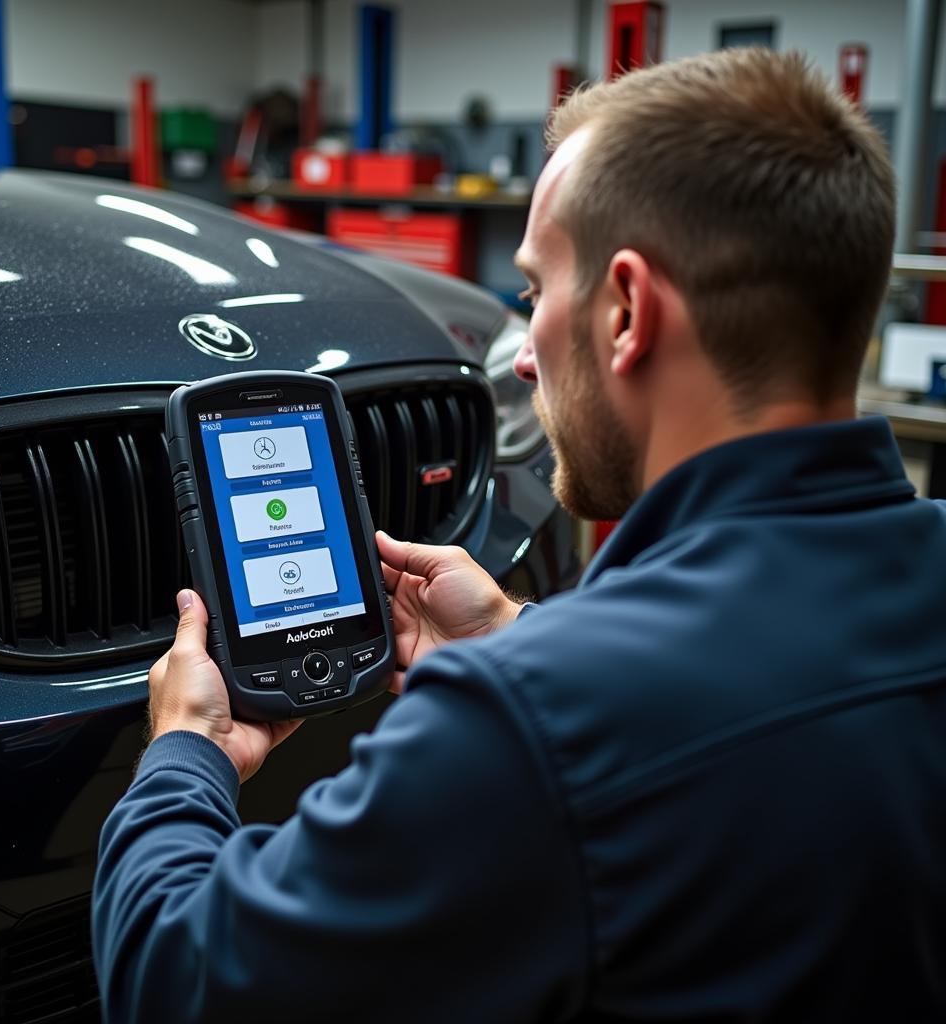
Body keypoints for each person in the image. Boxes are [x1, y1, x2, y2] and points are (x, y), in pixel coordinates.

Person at [93, 48, 946, 1022]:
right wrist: (524, 635)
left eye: (534, 293)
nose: (526, 354)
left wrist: (186, 750)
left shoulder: (529, 726)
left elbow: (175, 978)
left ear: (626, 311)